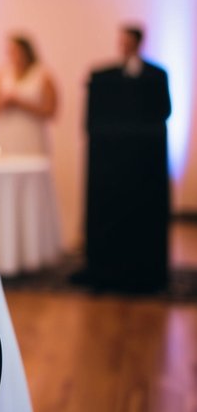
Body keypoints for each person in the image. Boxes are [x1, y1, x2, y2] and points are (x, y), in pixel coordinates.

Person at [81, 24, 171, 292]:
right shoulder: (106, 75)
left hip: (143, 161)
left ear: (138, 42)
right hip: (110, 161)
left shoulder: (155, 74)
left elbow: (163, 111)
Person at [0, 33, 57, 155]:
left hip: (32, 135)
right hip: (7, 136)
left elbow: (51, 110)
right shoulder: (1, 74)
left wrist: (22, 103)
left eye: (16, 50)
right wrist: (4, 102)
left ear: (26, 51)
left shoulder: (42, 74)